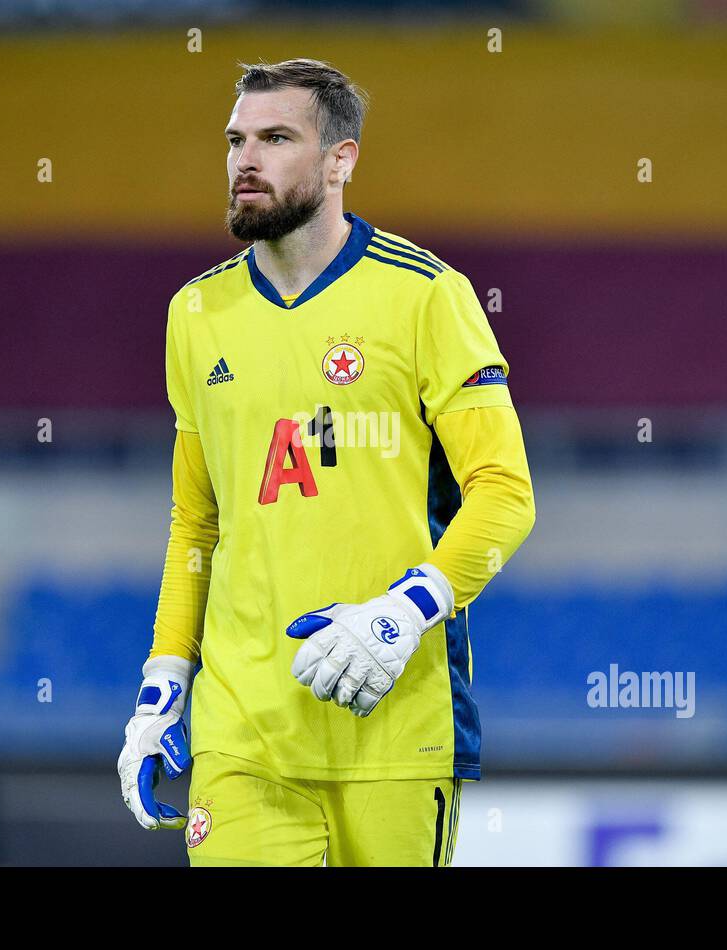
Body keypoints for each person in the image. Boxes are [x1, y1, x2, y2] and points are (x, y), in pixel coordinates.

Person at [117, 58, 535, 866]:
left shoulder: (427, 296)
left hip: (395, 731)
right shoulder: (196, 313)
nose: (247, 159)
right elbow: (196, 519)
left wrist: (405, 612)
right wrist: (164, 678)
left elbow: (505, 495)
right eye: (237, 139)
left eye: (277, 138)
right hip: (243, 735)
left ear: (341, 160)